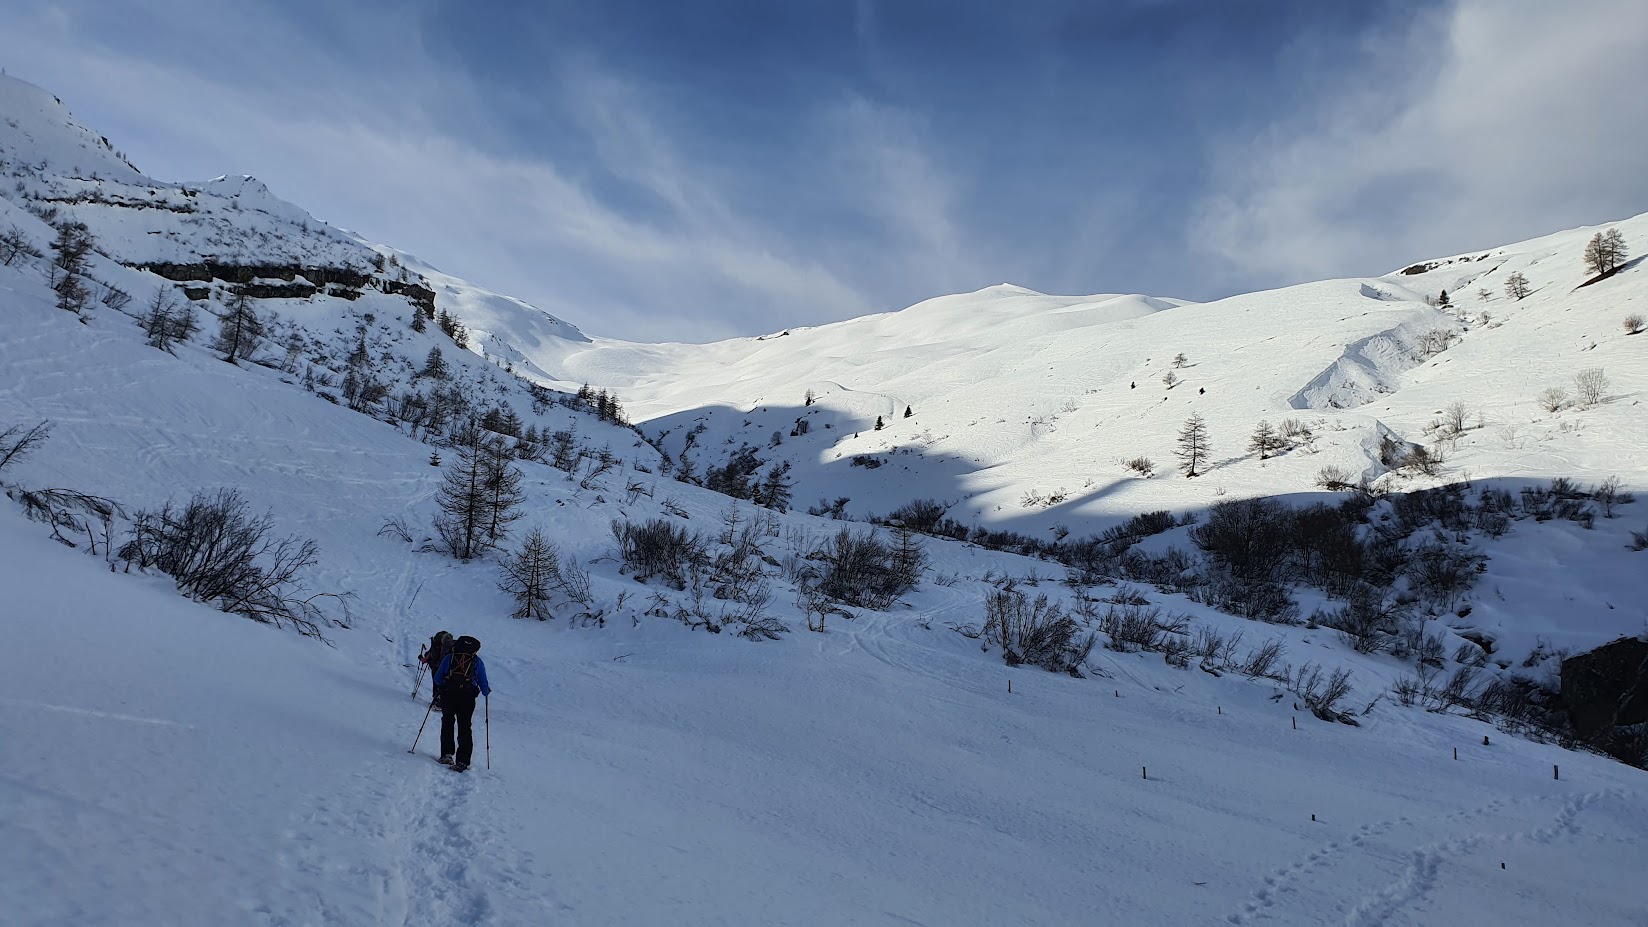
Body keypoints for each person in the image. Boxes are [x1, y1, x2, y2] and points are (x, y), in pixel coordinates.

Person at [433, 635, 491, 772]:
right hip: (467, 697)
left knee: (447, 722)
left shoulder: (449, 658)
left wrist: (445, 684)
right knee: (465, 726)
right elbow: (483, 683)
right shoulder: (476, 661)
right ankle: (463, 761)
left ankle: (446, 755)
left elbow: (437, 679)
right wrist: (485, 691)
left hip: (449, 695)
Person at [420, 631, 454, 708]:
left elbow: (426, 659)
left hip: (436, 668)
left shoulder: (436, 646)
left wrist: (421, 658)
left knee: (436, 684)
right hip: (450, 671)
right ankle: (445, 703)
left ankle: (436, 702)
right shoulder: (453, 648)